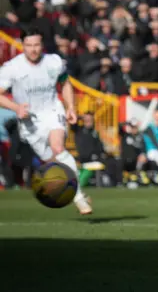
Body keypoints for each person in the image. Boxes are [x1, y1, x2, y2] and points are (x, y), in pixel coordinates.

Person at [0, 27, 92, 214]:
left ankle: (79, 197)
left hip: (52, 111)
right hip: (29, 122)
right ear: (22, 45)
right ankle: (71, 192)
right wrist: (16, 108)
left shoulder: (54, 62)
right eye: (29, 45)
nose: (33, 49)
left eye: (36, 45)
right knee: (53, 161)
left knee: (58, 148)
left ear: (42, 45)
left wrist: (71, 107)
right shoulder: (12, 68)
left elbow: (65, 83)